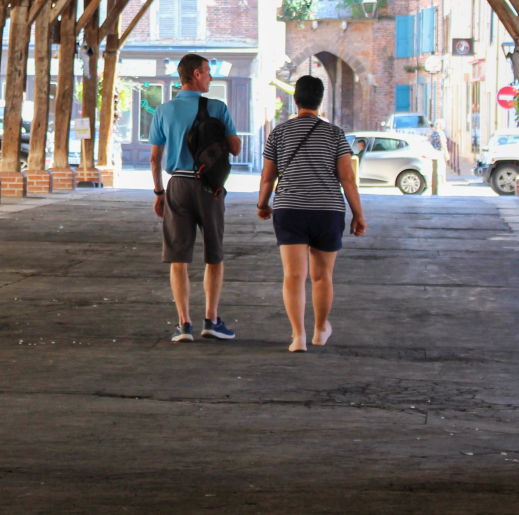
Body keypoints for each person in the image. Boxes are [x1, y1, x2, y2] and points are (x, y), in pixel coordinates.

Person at [256, 76, 366, 352]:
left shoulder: (279, 133)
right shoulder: (335, 134)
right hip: (327, 211)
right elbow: (347, 179)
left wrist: (262, 204)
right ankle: (320, 329)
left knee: (293, 276)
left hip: (290, 209)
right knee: (322, 276)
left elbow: (267, 177)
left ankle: (297, 337)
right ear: (321, 100)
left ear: (296, 99)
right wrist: (358, 214)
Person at [150, 54, 242, 342]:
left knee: (179, 258)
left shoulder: (163, 111)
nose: (211, 77)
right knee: (214, 256)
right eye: (207, 72)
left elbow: (155, 159)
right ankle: (211, 320)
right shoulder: (217, 108)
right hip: (209, 187)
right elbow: (236, 149)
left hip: (177, 184)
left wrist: (159, 192)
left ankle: (184, 325)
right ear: (196, 74)